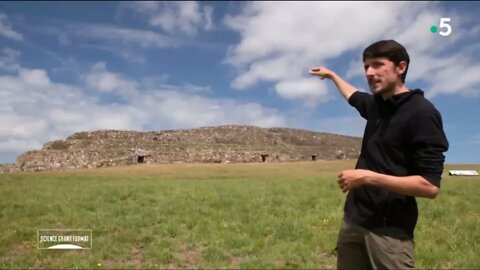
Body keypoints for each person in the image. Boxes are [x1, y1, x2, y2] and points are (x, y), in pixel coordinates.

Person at [309, 39, 449, 269]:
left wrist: (367, 177)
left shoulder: (422, 113)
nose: (370, 72)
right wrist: (332, 75)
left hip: (389, 233)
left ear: (400, 67)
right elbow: (353, 95)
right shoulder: (377, 105)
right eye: (366, 67)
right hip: (353, 220)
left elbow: (429, 186)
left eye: (377, 65)